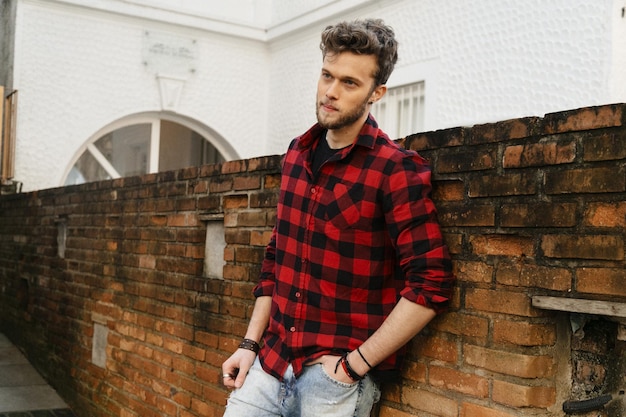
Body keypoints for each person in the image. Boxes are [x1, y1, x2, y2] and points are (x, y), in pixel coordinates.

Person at [221, 18, 455, 417]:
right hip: (270, 364)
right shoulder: (297, 154)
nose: (330, 92)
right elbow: (277, 257)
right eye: (327, 75)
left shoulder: (394, 170)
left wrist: (353, 367)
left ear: (376, 92)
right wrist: (249, 344)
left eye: (349, 82)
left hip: (332, 384)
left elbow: (431, 282)